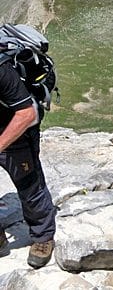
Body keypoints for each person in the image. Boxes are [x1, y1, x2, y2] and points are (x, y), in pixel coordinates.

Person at [0, 56, 56, 267]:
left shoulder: (2, 70)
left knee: (30, 187)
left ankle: (43, 237)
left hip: (18, 133)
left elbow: (26, 114)